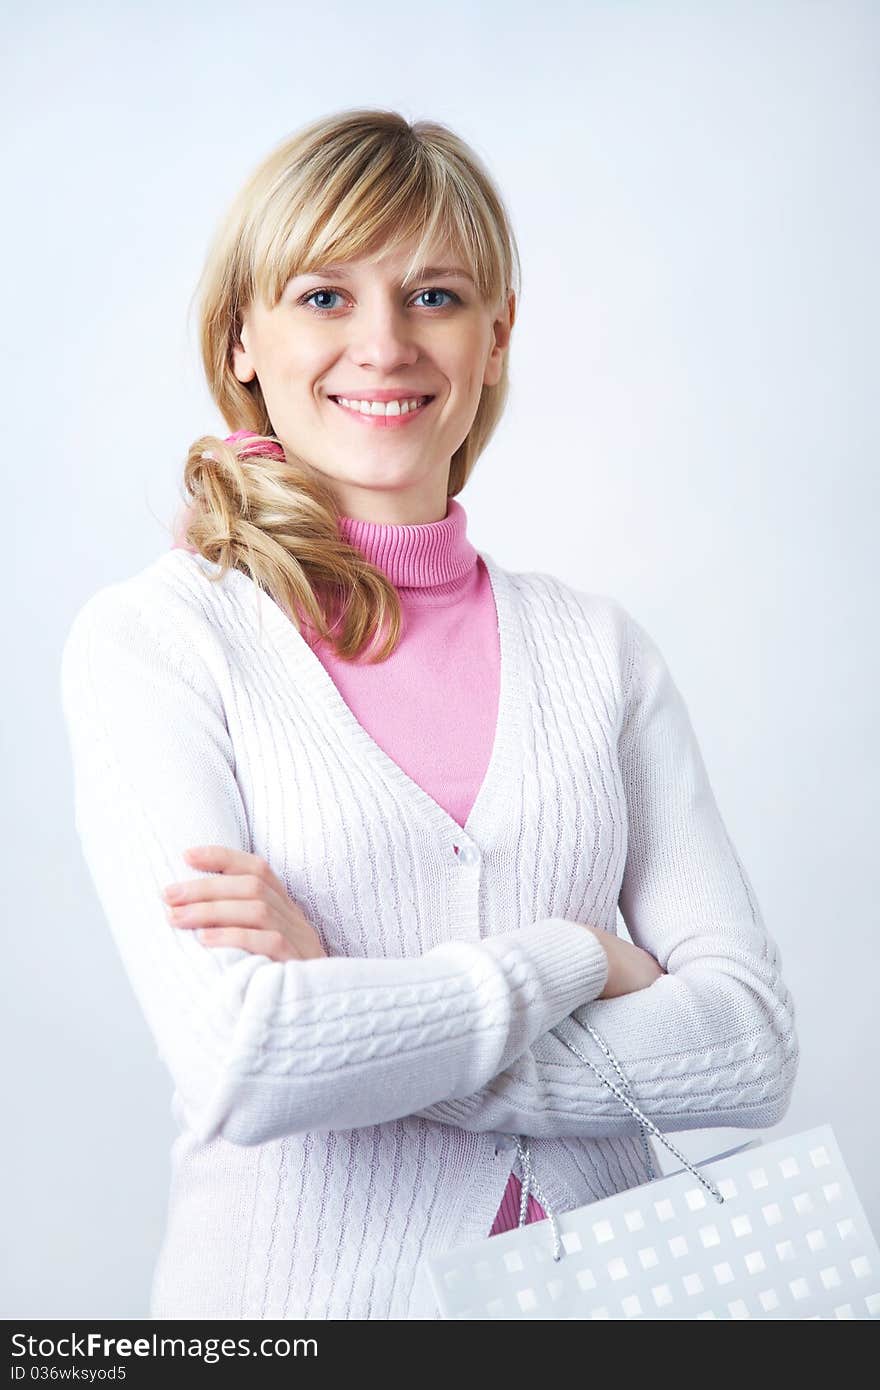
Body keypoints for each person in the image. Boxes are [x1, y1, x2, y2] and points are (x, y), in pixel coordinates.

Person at [59, 107, 799, 1321]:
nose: (386, 344)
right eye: (324, 297)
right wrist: (578, 961)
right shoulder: (160, 641)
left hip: (604, 1323)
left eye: (436, 297)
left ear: (496, 337)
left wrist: (354, 1004)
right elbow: (249, 1058)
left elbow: (749, 1045)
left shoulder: (598, 650)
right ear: (242, 336)